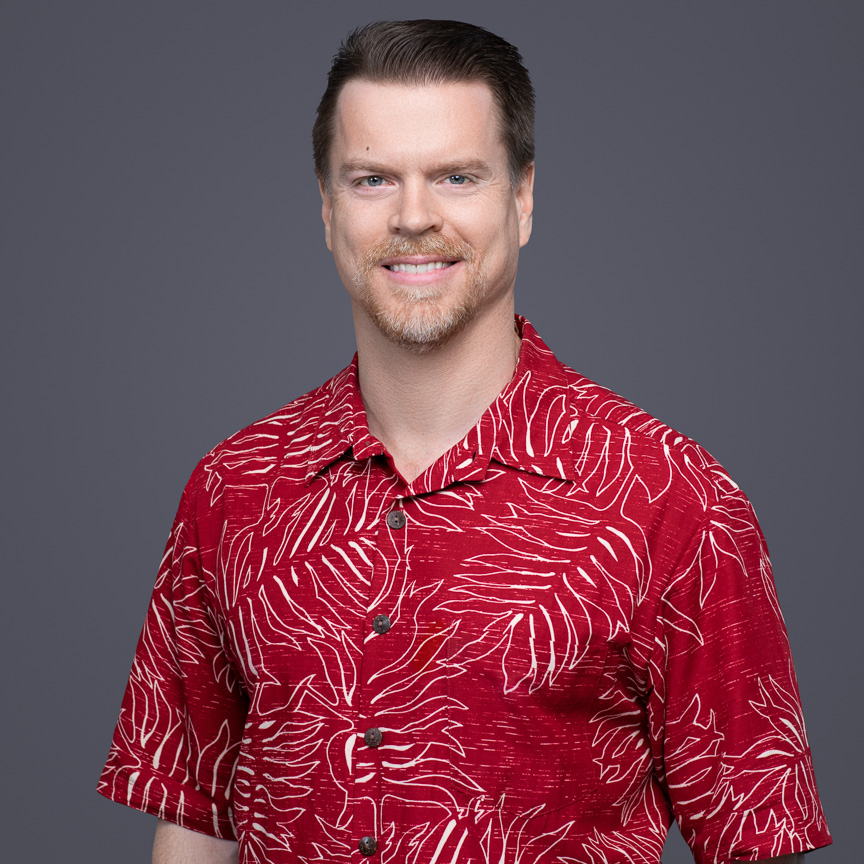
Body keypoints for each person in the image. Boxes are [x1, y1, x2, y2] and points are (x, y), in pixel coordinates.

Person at [98, 20, 831, 864]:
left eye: (455, 176)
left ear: (522, 200)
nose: (415, 216)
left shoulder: (671, 497)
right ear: (328, 210)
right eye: (373, 179)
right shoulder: (231, 490)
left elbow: (757, 835)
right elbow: (197, 819)